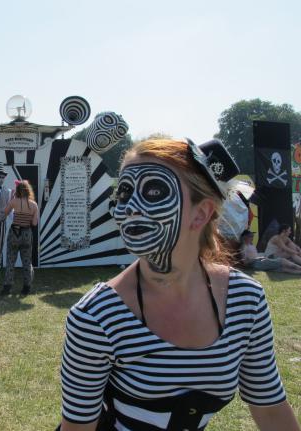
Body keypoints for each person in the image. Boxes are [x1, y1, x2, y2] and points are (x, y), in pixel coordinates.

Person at [58, 139, 300, 431]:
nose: (129, 207)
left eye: (154, 191)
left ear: (201, 213)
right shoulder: (95, 317)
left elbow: (271, 410)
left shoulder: (245, 300)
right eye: (123, 193)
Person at [1, 180, 38, 295]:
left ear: (17, 190)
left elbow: (5, 213)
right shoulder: (34, 205)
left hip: (14, 232)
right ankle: (26, 287)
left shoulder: (14, 202)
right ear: (28, 191)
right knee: (27, 261)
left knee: (10, 260)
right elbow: (35, 223)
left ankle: (7, 287)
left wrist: (11, 199)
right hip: (26, 233)